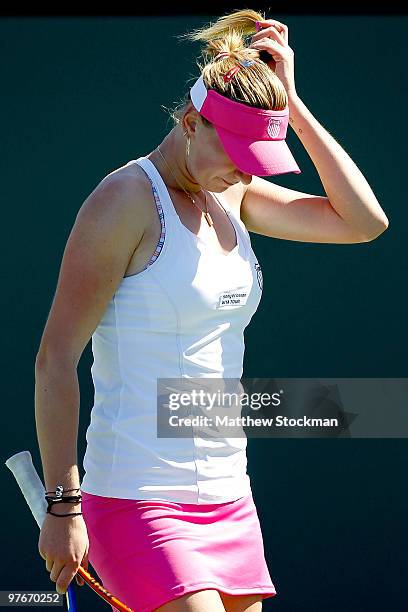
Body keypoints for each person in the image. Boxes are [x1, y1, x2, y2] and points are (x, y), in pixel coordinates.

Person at [35, 8, 389, 612]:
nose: (244, 169)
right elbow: (55, 360)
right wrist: (63, 506)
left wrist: (292, 106)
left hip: (230, 496)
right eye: (237, 151)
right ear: (192, 122)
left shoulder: (235, 191)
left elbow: (363, 223)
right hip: (138, 498)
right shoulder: (123, 201)